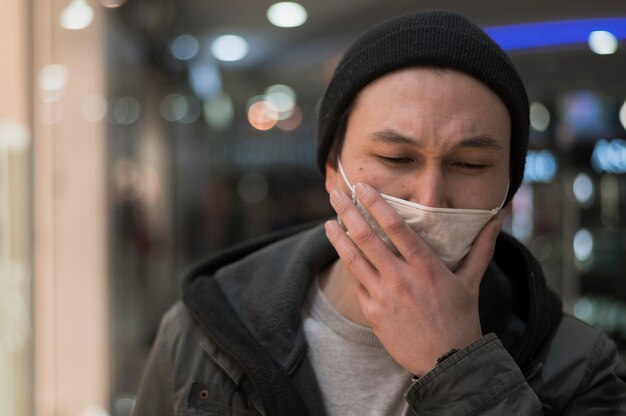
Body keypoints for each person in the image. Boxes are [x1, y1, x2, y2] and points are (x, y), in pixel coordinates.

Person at [133, 10, 626, 415]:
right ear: (332, 168)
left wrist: (456, 367)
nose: (430, 197)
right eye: (396, 158)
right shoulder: (200, 339)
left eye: (470, 164)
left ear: (507, 185)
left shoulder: (578, 367)